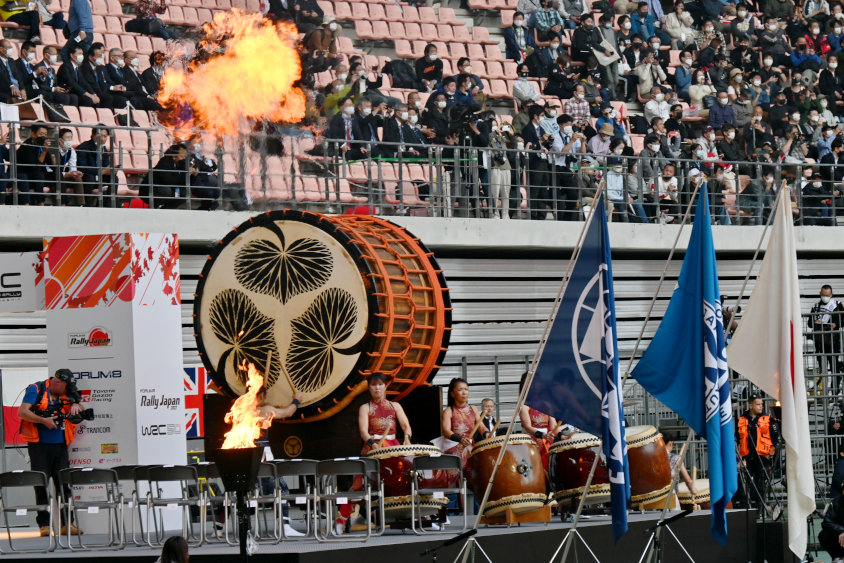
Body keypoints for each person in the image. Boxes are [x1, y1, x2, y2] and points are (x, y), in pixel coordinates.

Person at [18, 368, 84, 537]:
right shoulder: (36, 389)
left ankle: (67, 524)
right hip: (39, 445)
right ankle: (44, 525)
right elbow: (22, 411)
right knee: (41, 484)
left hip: (61, 445)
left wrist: (76, 404)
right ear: (57, 383)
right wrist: (43, 420)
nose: (67, 390)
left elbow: (79, 409)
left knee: (64, 485)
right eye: (65, 387)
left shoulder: (68, 393)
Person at [252, 386, 305, 538]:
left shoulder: (240, 410)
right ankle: (284, 526)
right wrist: (297, 400)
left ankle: (220, 527)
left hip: (242, 454)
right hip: (261, 455)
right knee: (281, 489)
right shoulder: (264, 409)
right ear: (261, 395)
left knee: (240, 491)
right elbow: (288, 412)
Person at [737, 395, 779, 513]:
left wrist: (770, 455)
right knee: (743, 482)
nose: (761, 406)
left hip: (763, 458)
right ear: (751, 406)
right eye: (758, 404)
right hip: (747, 457)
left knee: (761, 484)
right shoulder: (741, 419)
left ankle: (761, 509)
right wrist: (738, 456)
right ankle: (745, 508)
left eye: (762, 404)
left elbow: (776, 440)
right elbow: (737, 437)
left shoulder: (768, 418)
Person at [441, 378, 487, 479]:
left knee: (479, 477)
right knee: (454, 480)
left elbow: (481, 427)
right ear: (452, 394)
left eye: (466, 389)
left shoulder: (473, 409)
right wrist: (460, 440)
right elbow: (446, 431)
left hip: (471, 448)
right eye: (460, 390)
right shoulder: (448, 411)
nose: (464, 393)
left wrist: (487, 434)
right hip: (454, 449)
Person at [518, 372, 559, 469]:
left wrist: (562, 435)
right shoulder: (524, 406)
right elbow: (528, 427)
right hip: (531, 443)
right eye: (533, 382)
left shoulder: (547, 404)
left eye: (538, 382)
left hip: (547, 441)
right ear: (526, 385)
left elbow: (553, 426)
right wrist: (542, 435)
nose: (537, 385)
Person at [811, 285, 844, 385]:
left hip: (833, 341)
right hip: (820, 342)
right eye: (823, 295)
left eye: (827, 295)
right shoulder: (816, 307)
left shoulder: (837, 305)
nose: (825, 297)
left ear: (831, 295)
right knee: (822, 366)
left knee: (834, 365)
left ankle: (835, 388)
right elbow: (809, 323)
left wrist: (835, 324)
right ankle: (823, 389)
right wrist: (815, 321)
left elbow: (843, 320)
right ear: (820, 294)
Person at [76, 127, 114, 206]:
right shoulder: (83, 147)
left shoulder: (103, 148)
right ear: (93, 135)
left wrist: (110, 169)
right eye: (101, 136)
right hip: (86, 177)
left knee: (113, 178)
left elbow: (105, 164)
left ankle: (109, 205)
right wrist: (101, 171)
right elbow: (82, 167)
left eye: (105, 136)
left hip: (99, 176)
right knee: (90, 177)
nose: (103, 139)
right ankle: (88, 205)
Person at [661, 432, 697, 503]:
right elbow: (688, 481)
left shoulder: (651, 459)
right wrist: (693, 489)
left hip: (653, 500)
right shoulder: (676, 458)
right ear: (671, 443)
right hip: (670, 498)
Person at [488, 121, 512, 219]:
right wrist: (494, 133)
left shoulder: (501, 138)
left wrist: (511, 134)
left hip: (505, 166)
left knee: (506, 192)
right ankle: (495, 213)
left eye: (496, 125)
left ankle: (505, 214)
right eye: (492, 125)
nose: (495, 127)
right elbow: (488, 139)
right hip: (495, 167)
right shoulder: (490, 137)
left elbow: (512, 143)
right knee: (495, 192)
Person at [61, 0, 94, 65]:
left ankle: (71, 71)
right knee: (85, 57)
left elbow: (82, 15)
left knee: (65, 52)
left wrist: (82, 30)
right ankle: (83, 73)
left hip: (80, 32)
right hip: (87, 32)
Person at [820, 493, 844, 561]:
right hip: (841, 538)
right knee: (824, 535)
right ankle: (837, 557)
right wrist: (841, 531)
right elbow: (827, 522)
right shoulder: (836, 502)